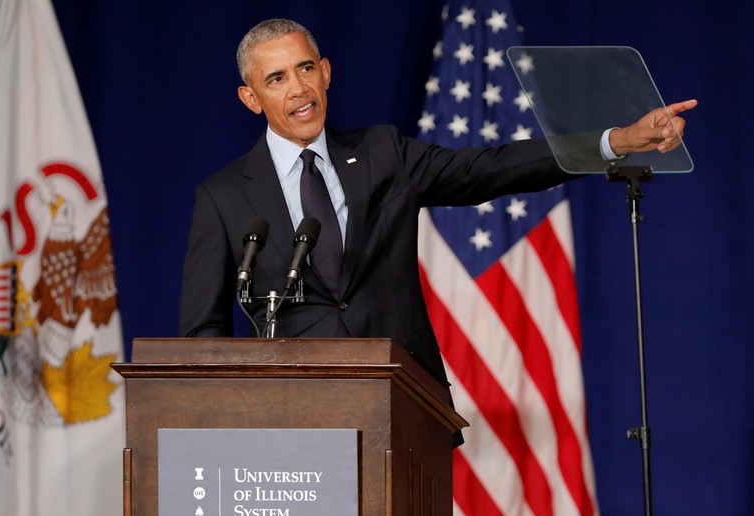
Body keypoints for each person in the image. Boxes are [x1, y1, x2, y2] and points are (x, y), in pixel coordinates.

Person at [179, 18, 696, 396]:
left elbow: (491, 168)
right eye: (277, 79)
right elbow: (202, 330)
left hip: (405, 400)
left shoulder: (382, 152)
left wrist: (617, 140)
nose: (299, 89)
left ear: (327, 71)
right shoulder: (224, 196)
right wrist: (238, 412)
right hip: (290, 418)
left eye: (306, 68)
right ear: (251, 98)